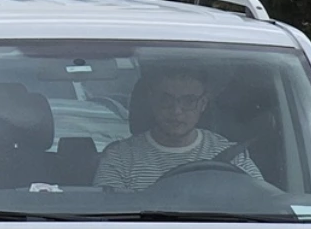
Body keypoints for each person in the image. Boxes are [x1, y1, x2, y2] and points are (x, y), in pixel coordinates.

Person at [94, 68, 263, 191]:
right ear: (152, 100)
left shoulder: (232, 156)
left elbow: (262, 204)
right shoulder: (119, 158)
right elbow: (105, 217)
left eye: (188, 101)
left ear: (203, 104)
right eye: (166, 99)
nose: (176, 111)